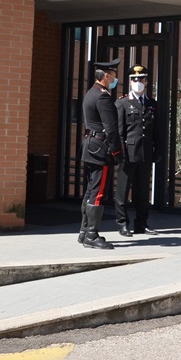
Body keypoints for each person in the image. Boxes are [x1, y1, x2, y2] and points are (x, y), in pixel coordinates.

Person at [79, 58, 122, 249]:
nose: (115, 80)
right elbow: (111, 130)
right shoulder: (103, 97)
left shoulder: (90, 93)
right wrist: (117, 152)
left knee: (90, 189)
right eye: (113, 76)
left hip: (89, 144)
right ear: (106, 76)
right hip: (100, 147)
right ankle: (91, 234)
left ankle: (83, 231)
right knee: (98, 191)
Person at [114, 65, 159, 236]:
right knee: (123, 191)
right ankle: (122, 224)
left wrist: (158, 150)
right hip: (128, 154)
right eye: (134, 79)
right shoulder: (122, 103)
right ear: (130, 82)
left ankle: (142, 223)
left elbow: (157, 131)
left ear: (146, 82)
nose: (137, 82)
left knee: (142, 191)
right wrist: (120, 153)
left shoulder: (152, 104)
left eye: (141, 79)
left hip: (145, 153)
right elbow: (119, 131)